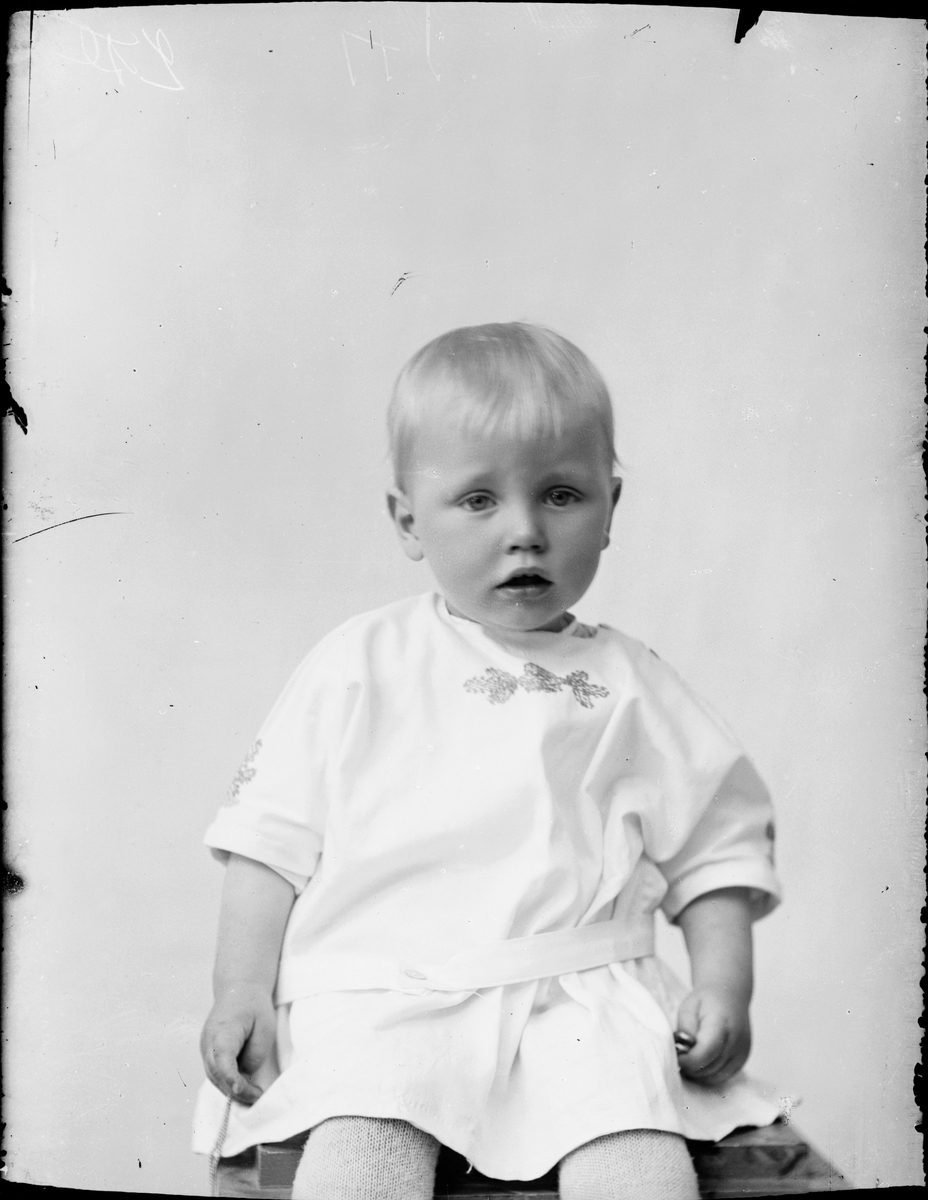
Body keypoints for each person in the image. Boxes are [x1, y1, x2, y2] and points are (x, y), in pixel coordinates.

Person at [193, 323, 782, 1199]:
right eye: (478, 500)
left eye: (561, 495)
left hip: (581, 1003)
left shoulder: (632, 684)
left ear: (612, 507)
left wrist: (724, 985)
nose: (525, 532)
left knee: (639, 1162)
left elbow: (715, 851)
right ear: (408, 521)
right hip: (392, 1002)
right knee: (363, 1148)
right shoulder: (360, 664)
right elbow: (268, 844)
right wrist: (241, 989)